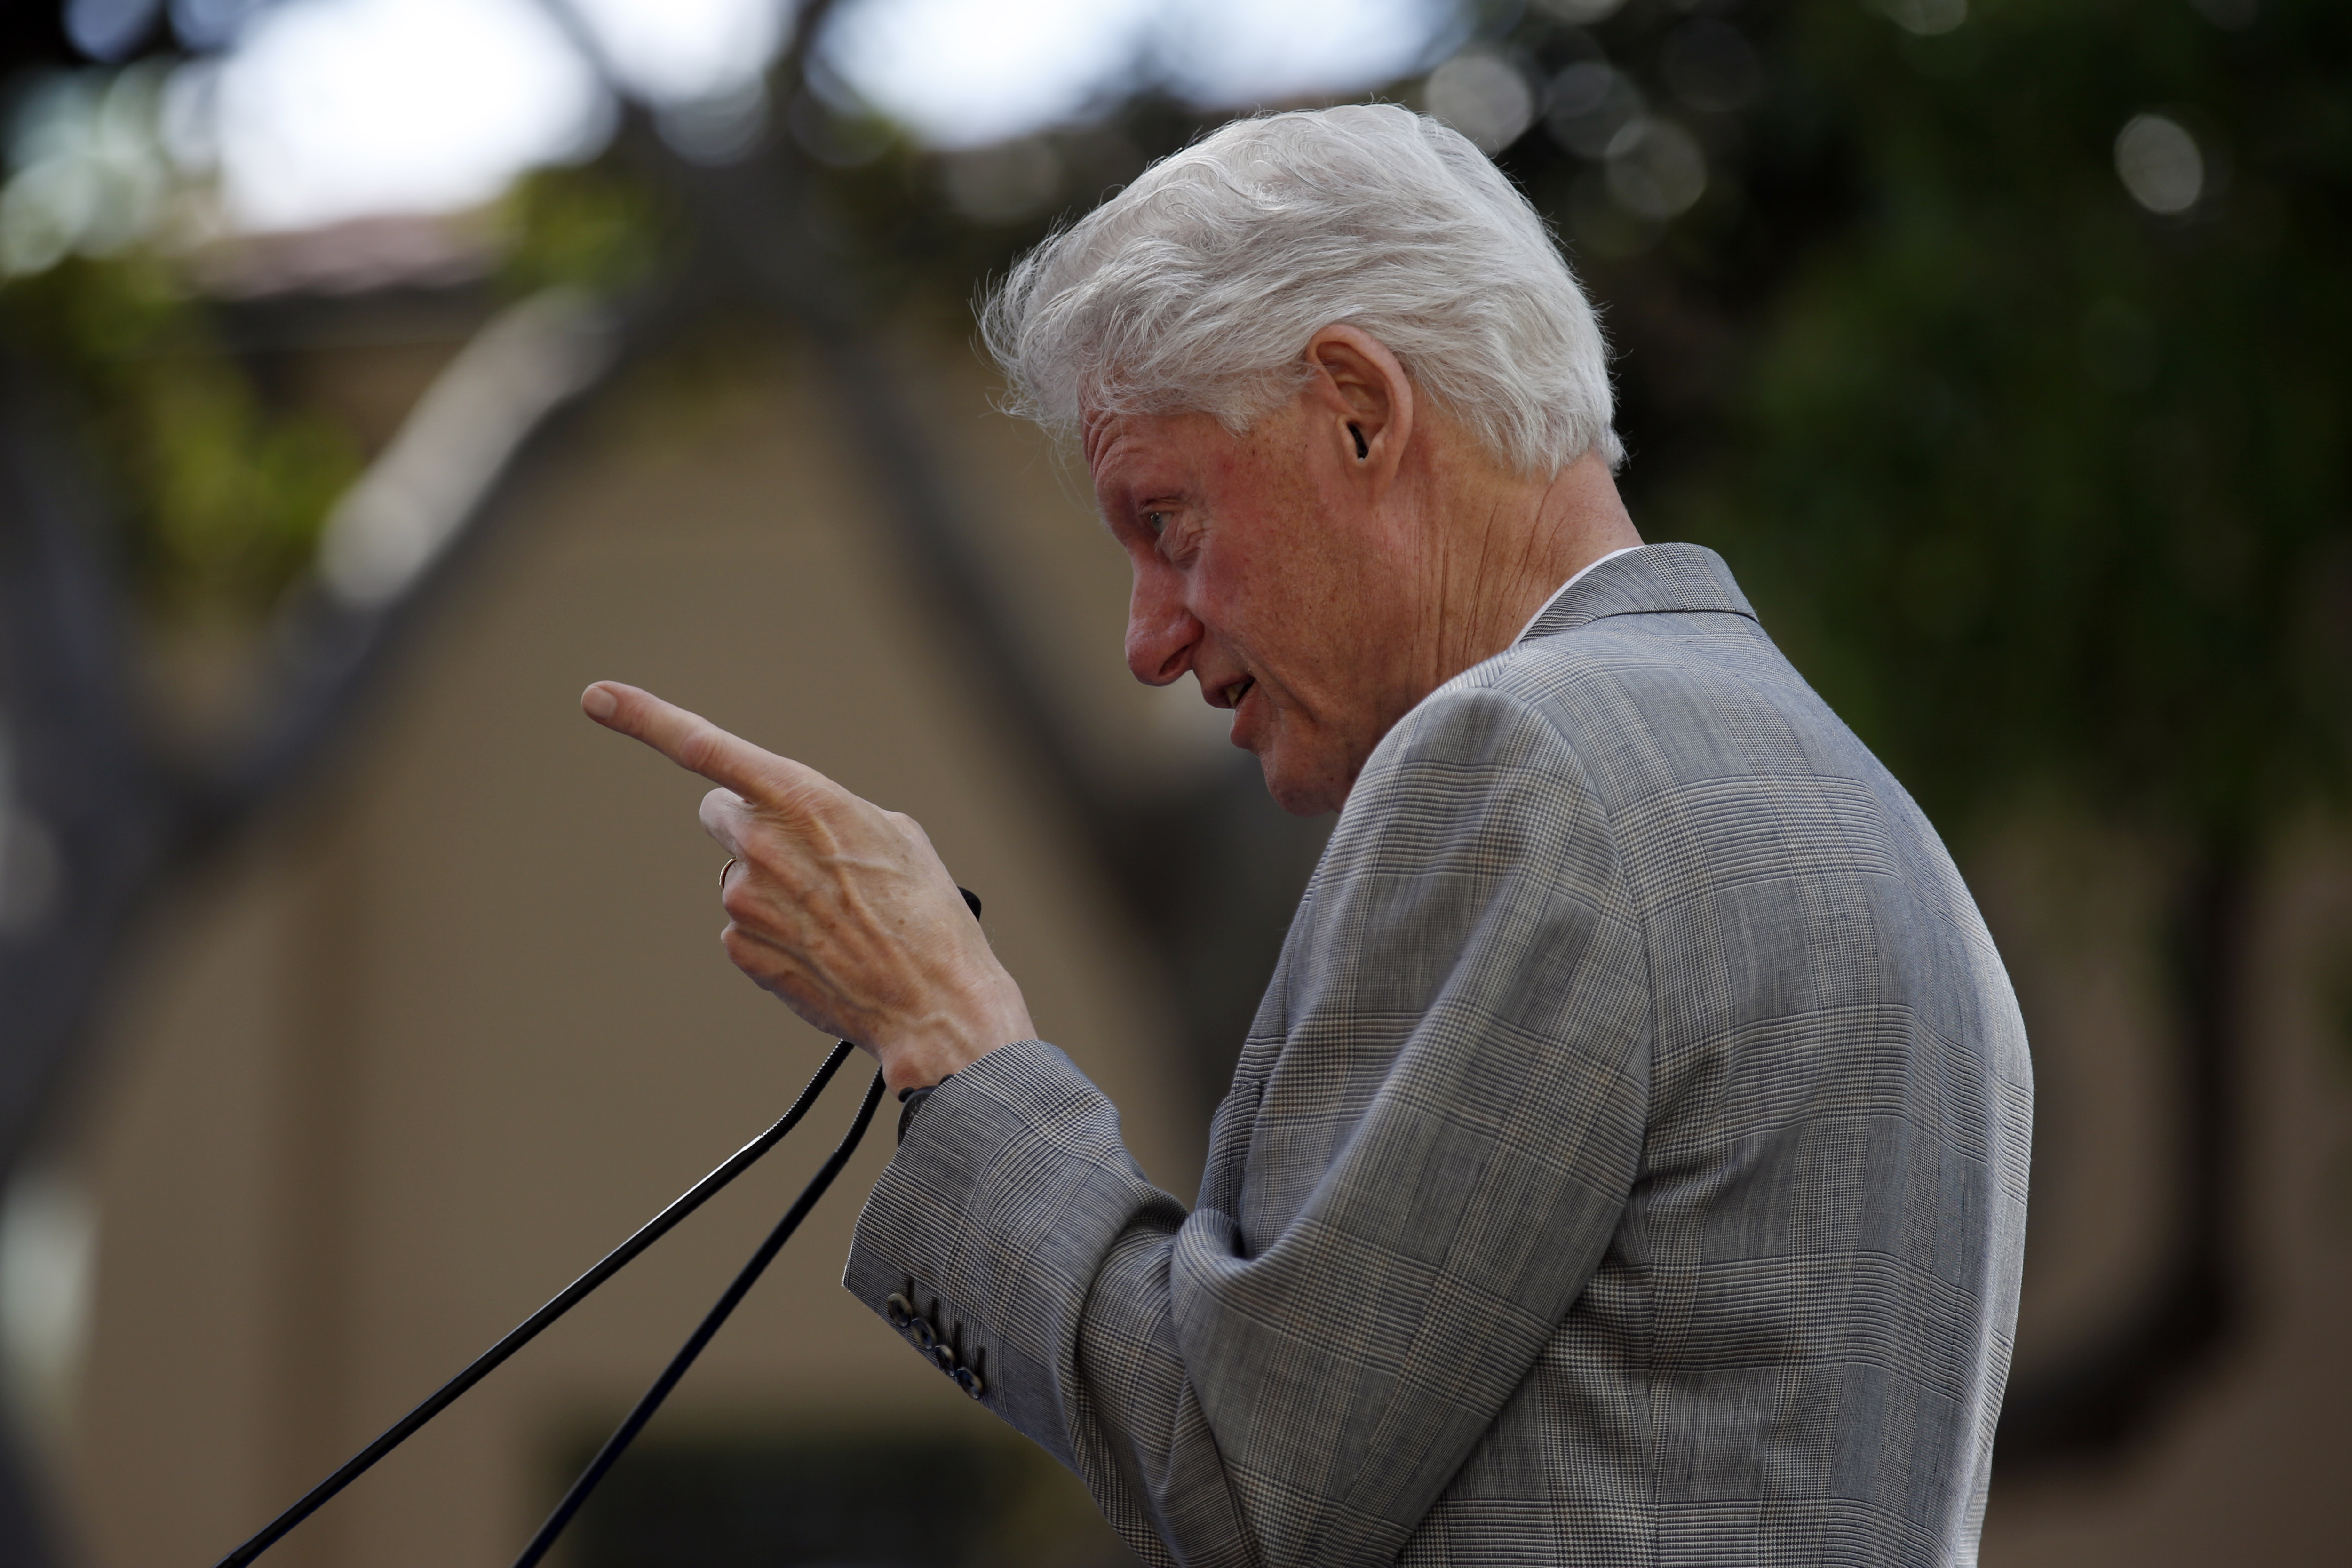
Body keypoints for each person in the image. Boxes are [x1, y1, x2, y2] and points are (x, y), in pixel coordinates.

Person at [582, 105, 2032, 1567]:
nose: (1149, 640)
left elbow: (1238, 1480)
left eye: (1168, 523)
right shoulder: (1866, 815)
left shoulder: (1521, 762)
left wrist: (946, 1033)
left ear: (1358, 408)